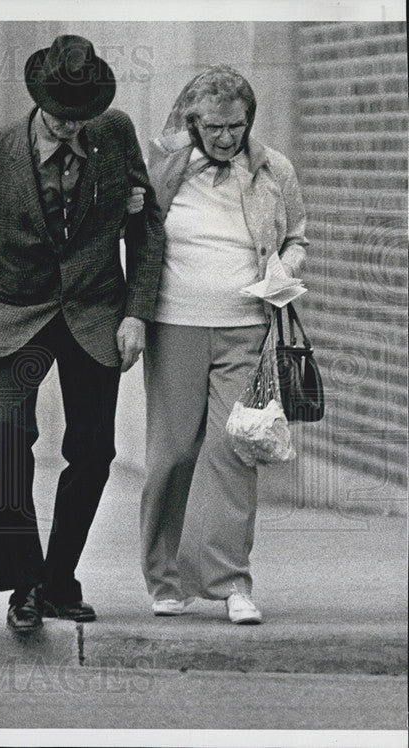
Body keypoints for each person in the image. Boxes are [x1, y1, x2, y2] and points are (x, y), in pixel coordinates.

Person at [0, 35, 165, 632]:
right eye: (61, 120)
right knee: (5, 435)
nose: (72, 130)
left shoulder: (114, 132)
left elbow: (146, 228)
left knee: (92, 451)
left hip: (96, 311)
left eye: (82, 119)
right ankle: (24, 583)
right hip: (20, 314)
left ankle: (59, 579)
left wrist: (136, 312)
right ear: (39, 103)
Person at [139, 66, 308, 624]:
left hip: (245, 326)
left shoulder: (271, 169)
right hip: (174, 325)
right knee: (174, 452)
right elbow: (134, 233)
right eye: (213, 127)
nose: (226, 137)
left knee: (235, 448)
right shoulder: (165, 168)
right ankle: (164, 579)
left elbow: (296, 236)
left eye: (236, 126)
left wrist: (283, 270)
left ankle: (231, 581)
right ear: (192, 122)